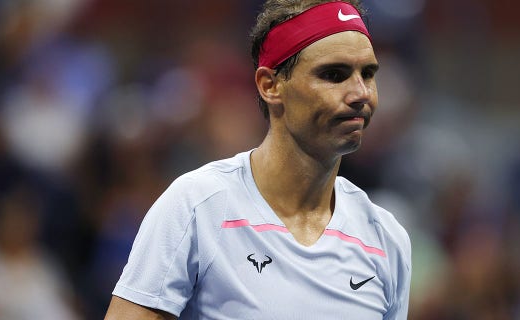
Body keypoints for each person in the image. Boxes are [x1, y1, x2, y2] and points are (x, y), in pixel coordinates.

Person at [104, 1, 411, 319]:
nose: (361, 93)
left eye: (369, 74)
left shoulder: (386, 238)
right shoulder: (198, 206)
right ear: (270, 85)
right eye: (334, 74)